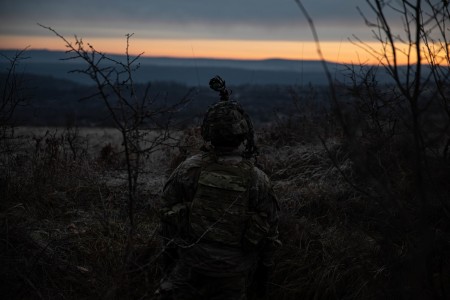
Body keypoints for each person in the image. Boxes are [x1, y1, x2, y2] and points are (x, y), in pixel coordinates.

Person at [156, 76, 280, 300]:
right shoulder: (257, 178)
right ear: (243, 135)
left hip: (191, 266)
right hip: (233, 275)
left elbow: (165, 213)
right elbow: (270, 234)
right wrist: (264, 276)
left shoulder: (189, 169)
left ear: (208, 133)